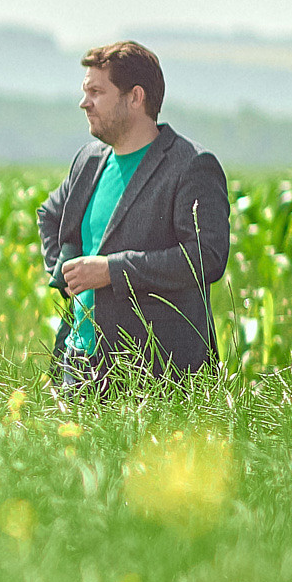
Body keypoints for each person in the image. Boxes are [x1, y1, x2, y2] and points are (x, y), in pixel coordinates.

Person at [38, 42, 231, 384]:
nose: (85, 102)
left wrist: (113, 271)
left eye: (97, 92)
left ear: (136, 97)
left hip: (156, 373)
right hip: (77, 362)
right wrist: (66, 270)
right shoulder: (88, 160)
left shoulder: (191, 166)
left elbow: (207, 257)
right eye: (86, 91)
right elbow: (50, 215)